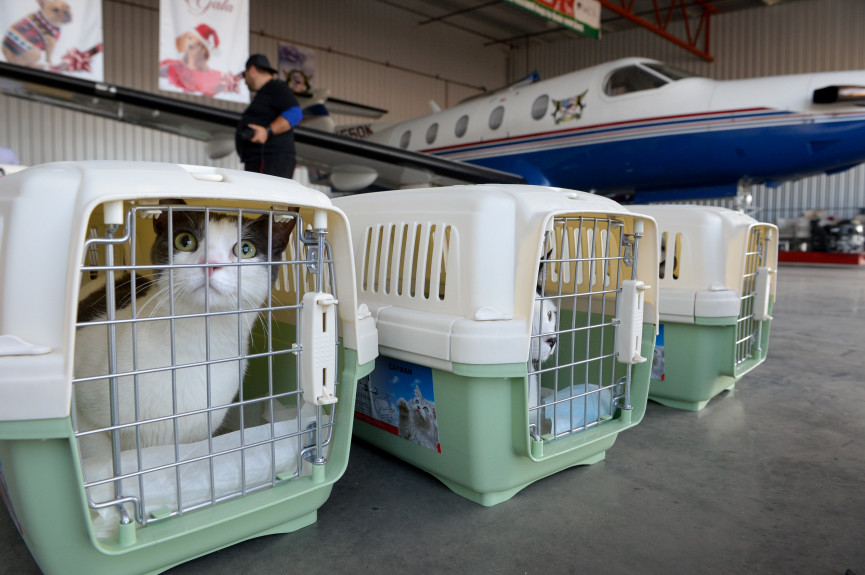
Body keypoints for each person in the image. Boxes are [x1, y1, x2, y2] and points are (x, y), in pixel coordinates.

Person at [235, 54, 303, 178]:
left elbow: (295, 113)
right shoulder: (267, 92)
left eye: (245, 76)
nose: (245, 81)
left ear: (252, 70)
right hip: (261, 161)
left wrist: (267, 131)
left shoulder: (275, 87)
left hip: (270, 161)